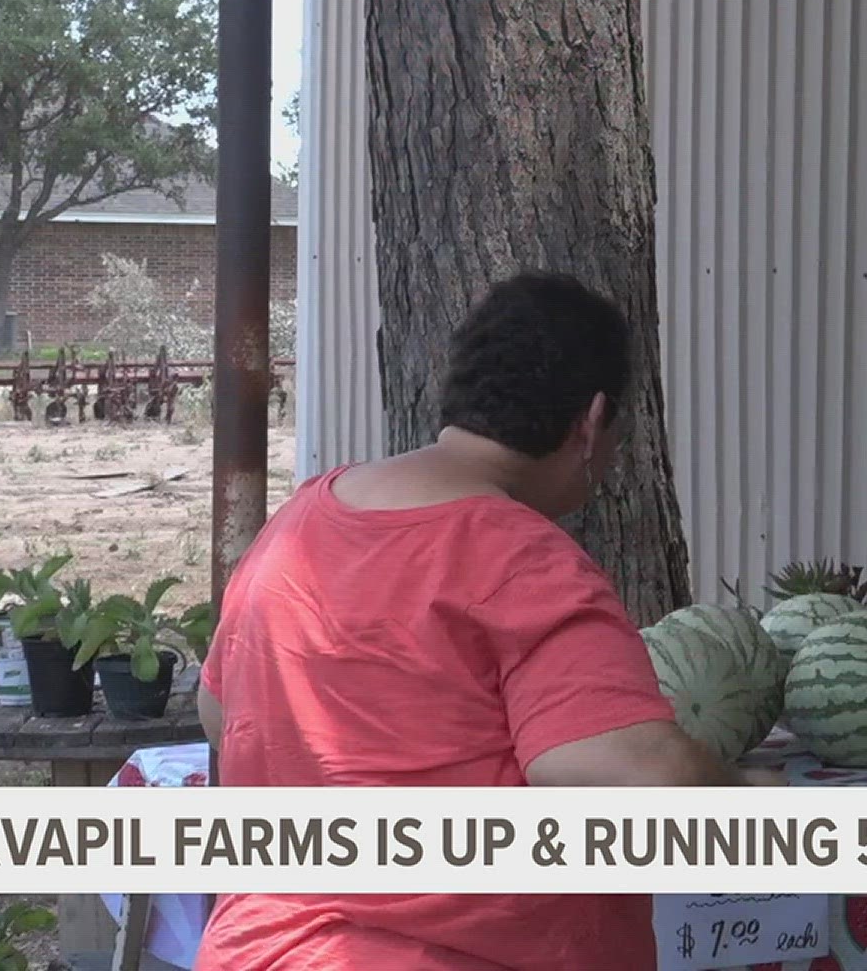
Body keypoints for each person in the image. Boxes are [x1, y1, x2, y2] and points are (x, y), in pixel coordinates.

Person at [193, 270, 780, 971]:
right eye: (618, 435)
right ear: (590, 423)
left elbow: (218, 713)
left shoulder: (298, 525)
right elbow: (628, 775)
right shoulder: (521, 561)